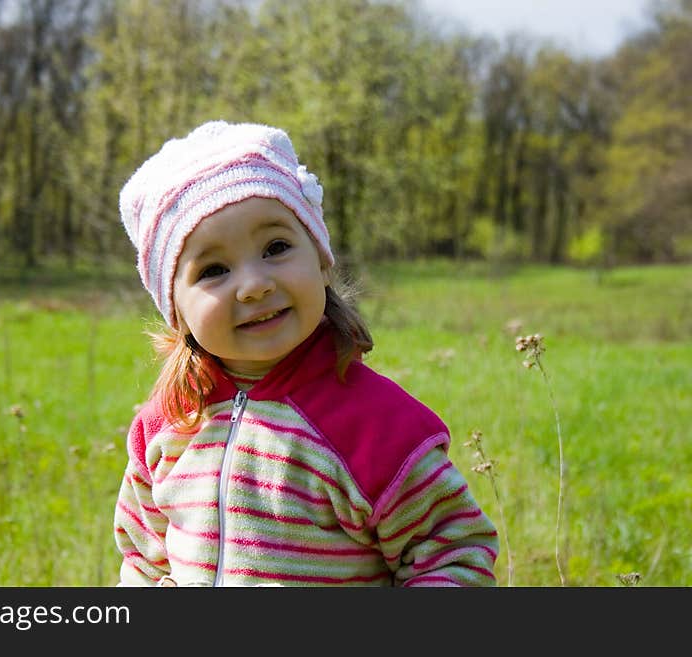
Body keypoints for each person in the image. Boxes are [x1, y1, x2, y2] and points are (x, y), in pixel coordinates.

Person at [113, 120, 499, 586]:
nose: (254, 285)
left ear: (319, 259)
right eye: (214, 269)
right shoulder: (168, 425)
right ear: (174, 305)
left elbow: (454, 551)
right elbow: (144, 561)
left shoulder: (372, 425)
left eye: (276, 247)